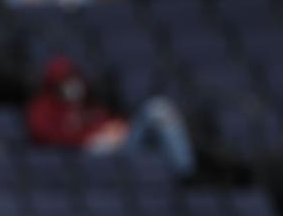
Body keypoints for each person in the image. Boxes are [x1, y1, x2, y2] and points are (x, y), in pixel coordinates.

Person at [27, 56, 196, 178]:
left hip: (118, 146)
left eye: (71, 78)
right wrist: (88, 138)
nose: (71, 84)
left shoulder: (87, 100)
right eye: (64, 81)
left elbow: (103, 118)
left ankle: (186, 173)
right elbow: (44, 135)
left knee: (158, 108)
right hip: (85, 155)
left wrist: (116, 127)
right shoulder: (42, 107)